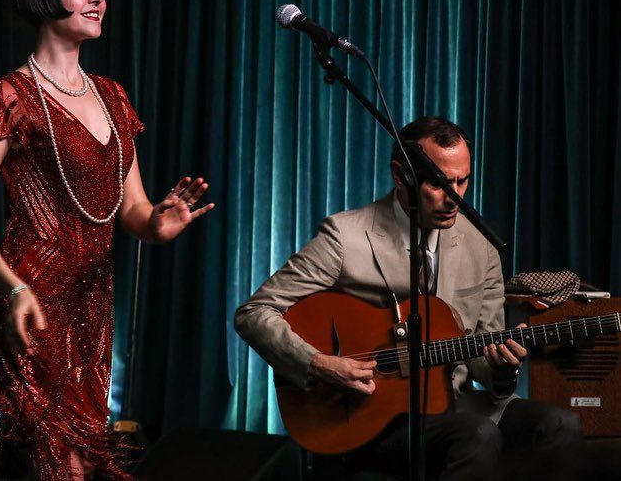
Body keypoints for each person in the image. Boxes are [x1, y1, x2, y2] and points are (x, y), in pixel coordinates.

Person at [0, 0, 214, 480]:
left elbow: (134, 212)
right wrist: (14, 288)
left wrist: (160, 224)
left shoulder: (113, 96)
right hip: (29, 289)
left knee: (85, 444)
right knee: (59, 454)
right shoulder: (10, 95)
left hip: (93, 294)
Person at [235, 117, 582, 480]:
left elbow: (483, 358)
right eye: (439, 183)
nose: (455, 198)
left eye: (463, 181)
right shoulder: (345, 237)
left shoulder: (481, 248)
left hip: (456, 404)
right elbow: (254, 312)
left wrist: (503, 368)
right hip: (370, 414)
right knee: (477, 435)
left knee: (562, 424)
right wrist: (318, 362)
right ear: (401, 175)